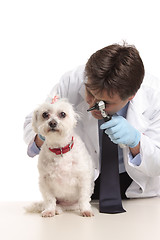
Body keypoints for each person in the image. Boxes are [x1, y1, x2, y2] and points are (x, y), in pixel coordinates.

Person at [24, 42, 160, 200]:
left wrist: (136, 142)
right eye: (89, 91)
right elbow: (31, 123)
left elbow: (157, 165)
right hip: (79, 185)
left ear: (131, 96)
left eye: (105, 103)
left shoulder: (154, 97)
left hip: (136, 186)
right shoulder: (72, 81)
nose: (91, 102)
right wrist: (42, 134)